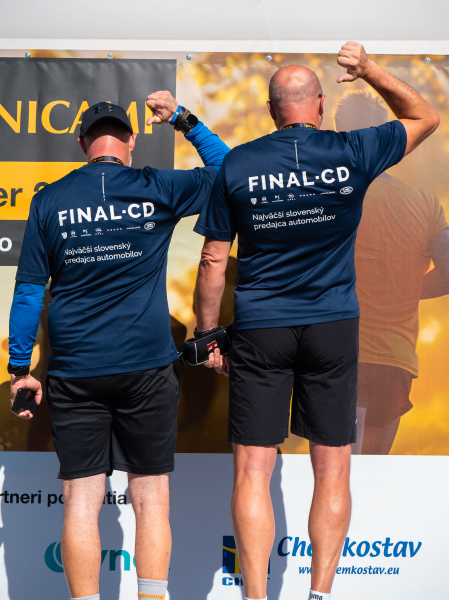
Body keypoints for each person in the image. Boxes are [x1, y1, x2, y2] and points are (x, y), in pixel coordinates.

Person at [193, 42, 439, 600]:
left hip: (261, 326)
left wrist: (207, 335)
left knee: (252, 471)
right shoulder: (353, 150)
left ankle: (256, 596)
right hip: (333, 326)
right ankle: (320, 594)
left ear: (270, 109)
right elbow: (425, 116)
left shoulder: (237, 164)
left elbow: (212, 261)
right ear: (321, 104)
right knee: (332, 469)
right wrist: (369, 70)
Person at [7, 93, 229, 600]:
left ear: (81, 142)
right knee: (151, 500)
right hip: (146, 368)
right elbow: (225, 171)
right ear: (130, 141)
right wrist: (183, 120)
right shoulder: (157, 186)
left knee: (81, 502)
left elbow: (28, 291)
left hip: (75, 371)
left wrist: (21, 368)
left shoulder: (49, 200)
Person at [333, 90, 449, 455]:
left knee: (339, 471)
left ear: (341, 136)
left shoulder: (323, 199)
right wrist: (406, 288)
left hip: (338, 355)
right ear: (385, 137)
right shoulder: (425, 204)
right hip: (394, 361)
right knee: (373, 469)